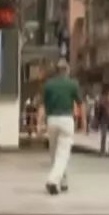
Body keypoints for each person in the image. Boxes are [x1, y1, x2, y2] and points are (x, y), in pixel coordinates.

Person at [42, 59, 81, 195]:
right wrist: (84, 123)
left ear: (56, 71)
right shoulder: (72, 84)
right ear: (67, 70)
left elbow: (44, 105)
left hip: (52, 120)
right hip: (66, 120)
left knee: (54, 153)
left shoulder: (48, 85)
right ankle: (53, 181)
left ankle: (63, 182)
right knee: (63, 154)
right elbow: (80, 103)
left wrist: (40, 123)